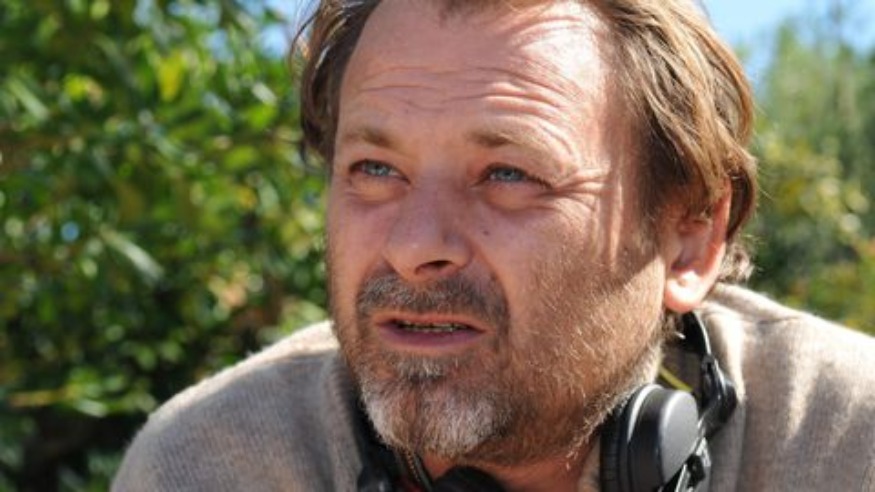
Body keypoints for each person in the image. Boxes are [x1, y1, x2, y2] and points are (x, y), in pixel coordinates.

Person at [112, 0, 875, 490]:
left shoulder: (848, 442)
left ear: (687, 239)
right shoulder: (206, 464)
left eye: (508, 175)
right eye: (375, 170)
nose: (414, 247)